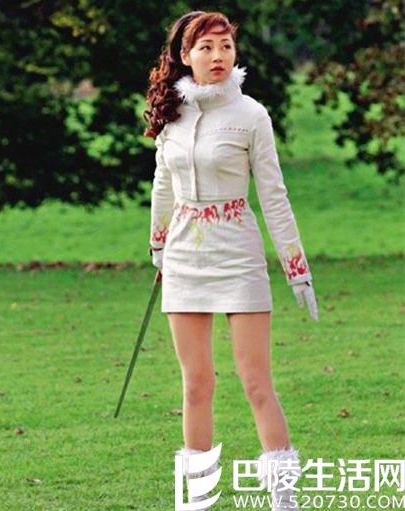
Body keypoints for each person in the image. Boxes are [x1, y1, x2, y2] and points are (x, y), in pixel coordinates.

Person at [143, 10, 318, 511]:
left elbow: (275, 196)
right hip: (184, 256)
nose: (217, 56)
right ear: (185, 56)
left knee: (256, 381)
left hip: (238, 254)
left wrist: (296, 268)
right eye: (206, 47)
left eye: (225, 46)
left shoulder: (252, 115)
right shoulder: (171, 113)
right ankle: (196, 500)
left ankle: (284, 500)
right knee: (196, 384)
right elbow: (163, 185)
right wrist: (158, 248)